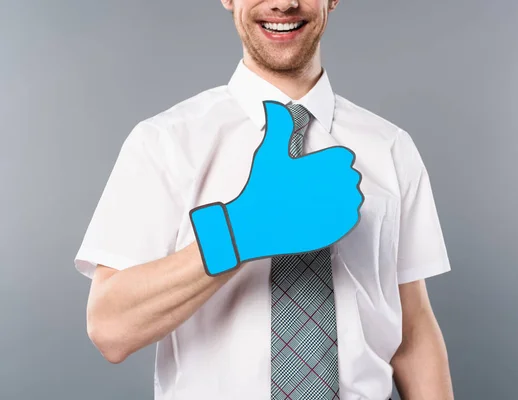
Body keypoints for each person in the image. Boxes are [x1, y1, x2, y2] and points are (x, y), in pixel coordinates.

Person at [74, 0, 454, 399]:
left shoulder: (391, 147)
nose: (284, 3)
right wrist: (239, 232)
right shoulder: (164, 143)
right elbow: (110, 328)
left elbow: (412, 332)